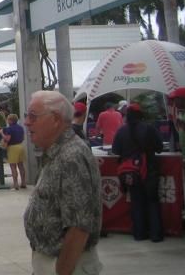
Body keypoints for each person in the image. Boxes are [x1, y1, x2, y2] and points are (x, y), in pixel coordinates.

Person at [24, 91, 102, 275]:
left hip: (66, 265)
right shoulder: (56, 153)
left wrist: (62, 270)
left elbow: (79, 226)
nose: (27, 122)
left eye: (33, 116)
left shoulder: (71, 157)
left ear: (56, 119)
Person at [111, 103, 164, 242]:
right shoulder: (149, 129)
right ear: (141, 115)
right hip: (150, 170)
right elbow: (159, 148)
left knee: (136, 202)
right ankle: (155, 235)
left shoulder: (121, 130)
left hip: (130, 173)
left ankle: (139, 234)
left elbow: (115, 151)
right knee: (152, 201)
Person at [0, 113, 26, 190]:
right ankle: (23, 183)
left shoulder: (9, 129)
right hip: (20, 146)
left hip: (12, 148)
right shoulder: (21, 128)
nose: (7, 121)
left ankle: (15, 184)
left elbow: (7, 139)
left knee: (13, 166)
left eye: (8, 119)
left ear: (11, 120)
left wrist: (1, 133)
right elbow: (23, 138)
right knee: (21, 166)